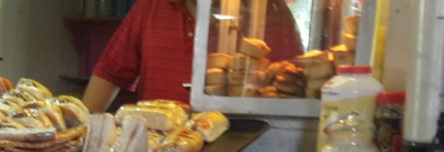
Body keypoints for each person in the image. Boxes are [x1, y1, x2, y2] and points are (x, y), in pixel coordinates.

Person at [82, 0, 302, 112]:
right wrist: (79, 133)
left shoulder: (270, 11)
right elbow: (110, 72)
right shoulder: (151, 6)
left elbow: (295, 86)